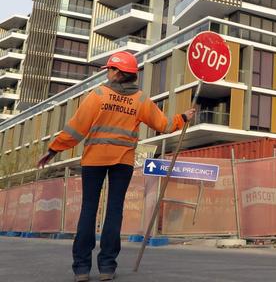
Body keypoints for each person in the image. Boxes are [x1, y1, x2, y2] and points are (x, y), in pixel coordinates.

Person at [37, 51, 196, 282]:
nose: (108, 74)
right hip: (123, 162)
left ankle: (81, 269)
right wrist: (183, 117)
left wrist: (53, 149)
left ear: (119, 73)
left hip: (94, 160)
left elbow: (76, 129)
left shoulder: (98, 95)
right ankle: (107, 267)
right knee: (114, 212)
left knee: (89, 210)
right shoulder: (141, 100)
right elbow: (163, 124)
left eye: (110, 70)